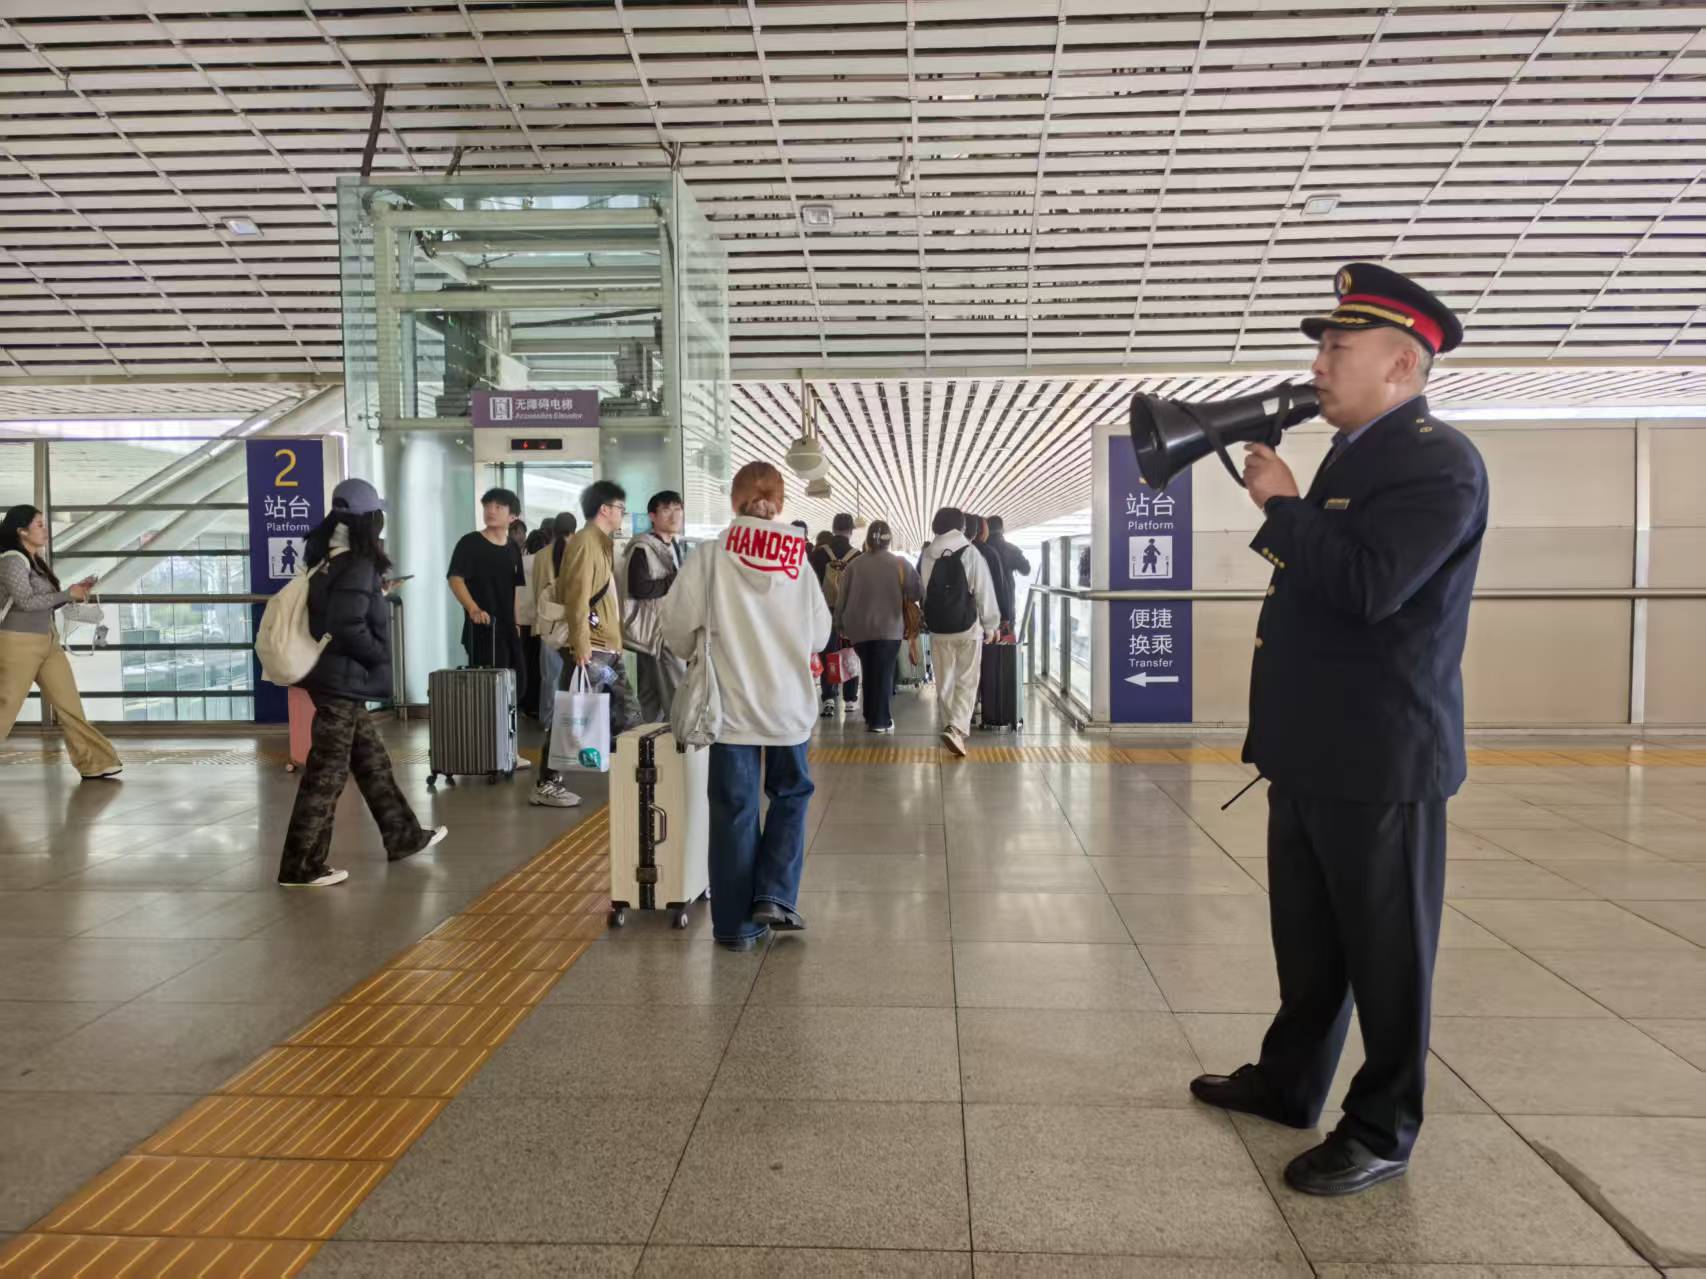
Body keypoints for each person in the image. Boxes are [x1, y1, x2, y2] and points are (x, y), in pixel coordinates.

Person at [1188, 262, 1488, 1197]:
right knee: (1310, 941)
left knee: (1388, 953)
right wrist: (1293, 506)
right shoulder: (1356, 455)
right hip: (1314, 747)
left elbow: (1369, 586)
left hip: (1382, 755)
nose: (1317, 364)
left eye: (1337, 348)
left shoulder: (1439, 461)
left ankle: (1383, 1126)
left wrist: (1283, 506)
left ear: (1401, 364)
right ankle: (1290, 1082)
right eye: (1320, 347)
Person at [660, 462, 830, 951]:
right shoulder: (798, 561)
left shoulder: (711, 556)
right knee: (791, 795)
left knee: (734, 809)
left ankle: (736, 927)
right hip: (788, 707)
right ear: (778, 503)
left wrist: (698, 649)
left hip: (729, 707)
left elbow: (675, 627)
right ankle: (775, 894)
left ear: (736, 502)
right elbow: (819, 635)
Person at [277, 479, 447, 887]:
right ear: (369, 519)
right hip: (341, 680)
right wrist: (378, 654)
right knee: (326, 775)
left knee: (372, 762)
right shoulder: (356, 563)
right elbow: (346, 624)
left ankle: (403, 835)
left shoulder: (328, 556)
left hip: (335, 678)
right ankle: (299, 866)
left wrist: (376, 594)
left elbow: (341, 608)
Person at [0, 505, 122, 780]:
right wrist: (67, 594)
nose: (45, 529)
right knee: (5, 707)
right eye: (39, 524)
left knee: (69, 705)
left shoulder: (35, 561)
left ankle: (95, 763)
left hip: (48, 641)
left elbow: (45, 601)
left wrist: (74, 593)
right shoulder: (12, 560)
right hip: (18, 643)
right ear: (21, 531)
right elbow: (26, 602)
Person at [539, 479, 640, 808]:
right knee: (573, 713)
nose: (622, 514)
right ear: (605, 509)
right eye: (620, 508)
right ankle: (547, 782)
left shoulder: (600, 543)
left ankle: (640, 774)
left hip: (605, 649)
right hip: (592, 651)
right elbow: (578, 598)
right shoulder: (586, 543)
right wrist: (581, 645)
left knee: (625, 709)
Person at [920, 506, 998, 757]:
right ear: (960, 527)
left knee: (944, 682)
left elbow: (924, 591)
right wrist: (991, 625)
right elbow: (983, 590)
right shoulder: (970, 552)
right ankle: (956, 728)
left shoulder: (928, 554)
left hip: (938, 629)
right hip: (967, 628)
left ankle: (950, 726)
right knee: (966, 680)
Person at [833, 519, 921, 735]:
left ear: (867, 540)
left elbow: (841, 598)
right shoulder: (900, 564)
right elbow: (917, 592)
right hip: (889, 627)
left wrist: (839, 624)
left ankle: (870, 714)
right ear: (889, 540)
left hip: (859, 629)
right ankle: (881, 721)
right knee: (883, 672)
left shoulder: (853, 566)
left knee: (870, 669)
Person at [623, 490, 687, 723]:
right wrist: (674, 580)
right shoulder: (643, 548)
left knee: (651, 696)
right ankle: (679, 740)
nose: (674, 516)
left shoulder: (674, 546)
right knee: (676, 694)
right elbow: (639, 588)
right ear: (652, 516)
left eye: (678, 509)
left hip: (664, 628)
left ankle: (647, 739)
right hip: (656, 633)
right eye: (667, 510)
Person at [447, 488, 525, 677]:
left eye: (498, 507)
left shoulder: (513, 548)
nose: (491, 511)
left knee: (518, 681)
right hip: (483, 627)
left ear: (512, 516)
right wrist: (473, 609)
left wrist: (517, 622)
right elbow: (455, 579)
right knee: (490, 684)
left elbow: (516, 587)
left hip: (508, 628)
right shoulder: (470, 543)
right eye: (487, 506)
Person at [530, 512, 577, 802]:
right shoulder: (575, 552)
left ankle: (547, 720)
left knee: (549, 677)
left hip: (547, 627)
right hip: (568, 629)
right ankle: (563, 729)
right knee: (567, 682)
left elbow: (537, 591)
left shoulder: (540, 556)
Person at [818, 531, 862, 716]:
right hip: (850, 611)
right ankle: (850, 699)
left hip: (825, 611)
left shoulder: (818, 555)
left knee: (827, 653)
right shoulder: (858, 556)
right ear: (851, 531)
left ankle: (828, 697)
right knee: (850, 651)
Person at [518, 524, 548, 718]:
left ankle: (524, 702)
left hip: (521, 619)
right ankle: (538, 703)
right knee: (539, 664)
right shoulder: (544, 563)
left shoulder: (520, 562)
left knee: (524, 662)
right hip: (539, 620)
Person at [964, 513, 1014, 627]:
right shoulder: (989, 553)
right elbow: (999, 586)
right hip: (986, 615)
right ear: (982, 531)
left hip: (962, 615)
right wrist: (1005, 616)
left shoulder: (957, 551)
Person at [985, 516, 1032, 629]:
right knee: (1006, 634)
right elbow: (1026, 570)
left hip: (985, 602)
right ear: (1002, 529)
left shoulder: (979, 549)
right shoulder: (1011, 549)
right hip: (1007, 602)